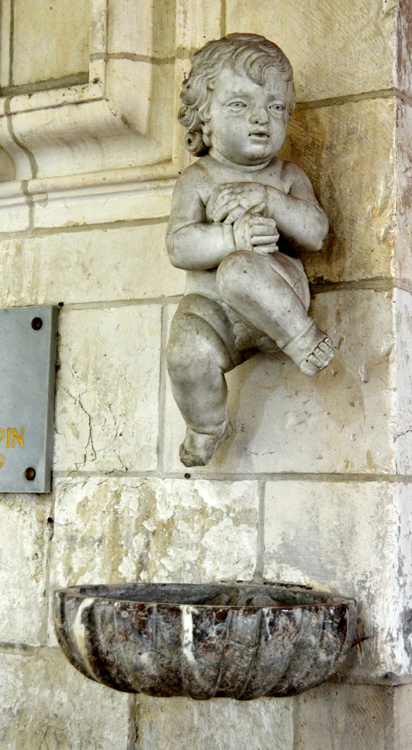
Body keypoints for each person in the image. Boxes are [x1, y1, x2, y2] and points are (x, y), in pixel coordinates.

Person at [166, 33, 333, 467]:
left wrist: (269, 199)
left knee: (239, 270)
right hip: (215, 312)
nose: (262, 118)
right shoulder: (197, 180)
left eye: (276, 107)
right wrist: (231, 238)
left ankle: (302, 338)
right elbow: (180, 245)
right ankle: (206, 424)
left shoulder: (285, 175)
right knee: (184, 352)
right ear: (204, 115)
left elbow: (315, 233)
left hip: (276, 293)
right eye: (240, 105)